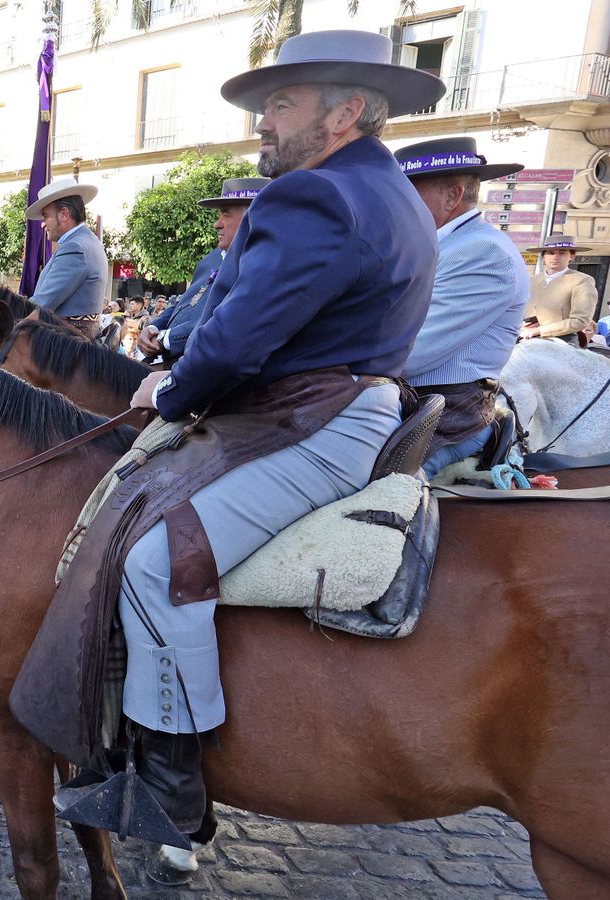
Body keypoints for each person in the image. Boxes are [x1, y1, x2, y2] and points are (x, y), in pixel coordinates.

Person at [56, 30, 443, 841]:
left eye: (280, 104)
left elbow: (234, 342)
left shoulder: (316, 195)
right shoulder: (391, 190)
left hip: (310, 420)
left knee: (158, 563)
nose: (262, 123)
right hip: (337, 405)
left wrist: (170, 392)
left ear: (344, 114)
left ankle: (169, 792)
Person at [394, 137, 529, 476]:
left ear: (453, 195)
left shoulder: (482, 251)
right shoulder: (444, 246)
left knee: (358, 487)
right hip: (414, 403)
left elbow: (408, 354)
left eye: (406, 194)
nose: (394, 204)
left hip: (445, 415)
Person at [139, 178, 271, 363]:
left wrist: (166, 339)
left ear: (253, 216)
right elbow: (184, 303)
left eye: (226, 215)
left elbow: (227, 321)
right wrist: (153, 328)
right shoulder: (212, 258)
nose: (217, 224)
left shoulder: (262, 265)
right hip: (170, 362)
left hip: (202, 370)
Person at [26, 175, 107, 336]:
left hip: (64, 346)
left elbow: (42, 304)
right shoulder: (88, 241)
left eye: (45, 215)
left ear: (64, 214)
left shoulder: (74, 247)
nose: (43, 224)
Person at [522, 233, 601, 342]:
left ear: (572, 256)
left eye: (562, 253)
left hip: (562, 340)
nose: (555, 257)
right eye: (550, 253)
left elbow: (580, 321)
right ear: (544, 256)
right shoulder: (532, 280)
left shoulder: (582, 280)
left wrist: (540, 330)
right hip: (525, 336)